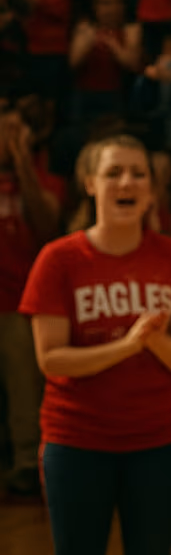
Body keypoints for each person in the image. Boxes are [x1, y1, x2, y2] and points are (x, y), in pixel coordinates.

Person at [20, 135, 171, 555]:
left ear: (152, 190)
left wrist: (153, 339)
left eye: (139, 174)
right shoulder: (58, 260)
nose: (127, 182)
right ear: (90, 183)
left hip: (158, 441)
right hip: (76, 440)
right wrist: (128, 345)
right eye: (114, 173)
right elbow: (51, 360)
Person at [0, 110, 65, 497]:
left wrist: (22, 162)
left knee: (25, 387)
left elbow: (46, 225)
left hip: (20, 302)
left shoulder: (46, 181)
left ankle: (27, 463)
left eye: (13, 128)